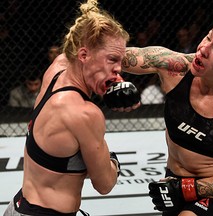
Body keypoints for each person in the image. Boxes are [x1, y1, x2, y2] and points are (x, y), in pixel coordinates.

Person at [122, 16, 213, 216]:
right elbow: (117, 57)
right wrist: (111, 80)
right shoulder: (175, 69)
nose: (203, 49)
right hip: (172, 181)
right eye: (208, 38)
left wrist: (188, 189)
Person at [4, 0, 140, 215]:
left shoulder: (57, 67)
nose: (119, 69)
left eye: (121, 62)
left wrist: (110, 71)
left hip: (20, 205)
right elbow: (104, 184)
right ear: (84, 55)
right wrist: (112, 159)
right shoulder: (84, 114)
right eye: (113, 60)